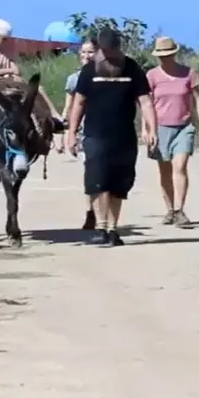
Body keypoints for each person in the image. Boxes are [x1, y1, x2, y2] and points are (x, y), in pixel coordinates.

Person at [66, 28, 157, 247]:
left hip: (124, 136)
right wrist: (71, 133)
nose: (108, 55)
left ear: (118, 47)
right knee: (98, 182)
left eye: (111, 50)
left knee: (119, 184)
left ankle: (113, 229)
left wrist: (152, 129)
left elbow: (145, 101)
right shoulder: (89, 71)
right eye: (104, 51)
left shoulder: (132, 68)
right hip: (95, 135)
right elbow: (78, 103)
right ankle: (101, 227)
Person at [146, 36, 199, 227]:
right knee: (164, 171)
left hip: (184, 126)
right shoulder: (152, 76)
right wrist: (146, 130)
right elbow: (146, 104)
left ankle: (180, 210)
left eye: (168, 54)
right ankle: (170, 210)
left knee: (179, 166)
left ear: (174, 54)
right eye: (161, 55)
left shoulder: (189, 73)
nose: (164, 58)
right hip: (160, 128)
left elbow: (198, 99)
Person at [62, 38, 97, 230]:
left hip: (101, 127)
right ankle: (91, 211)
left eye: (90, 52)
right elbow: (68, 107)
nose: (86, 56)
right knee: (91, 171)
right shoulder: (74, 79)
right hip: (84, 131)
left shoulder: (103, 75)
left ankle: (101, 211)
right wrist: (66, 132)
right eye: (83, 52)